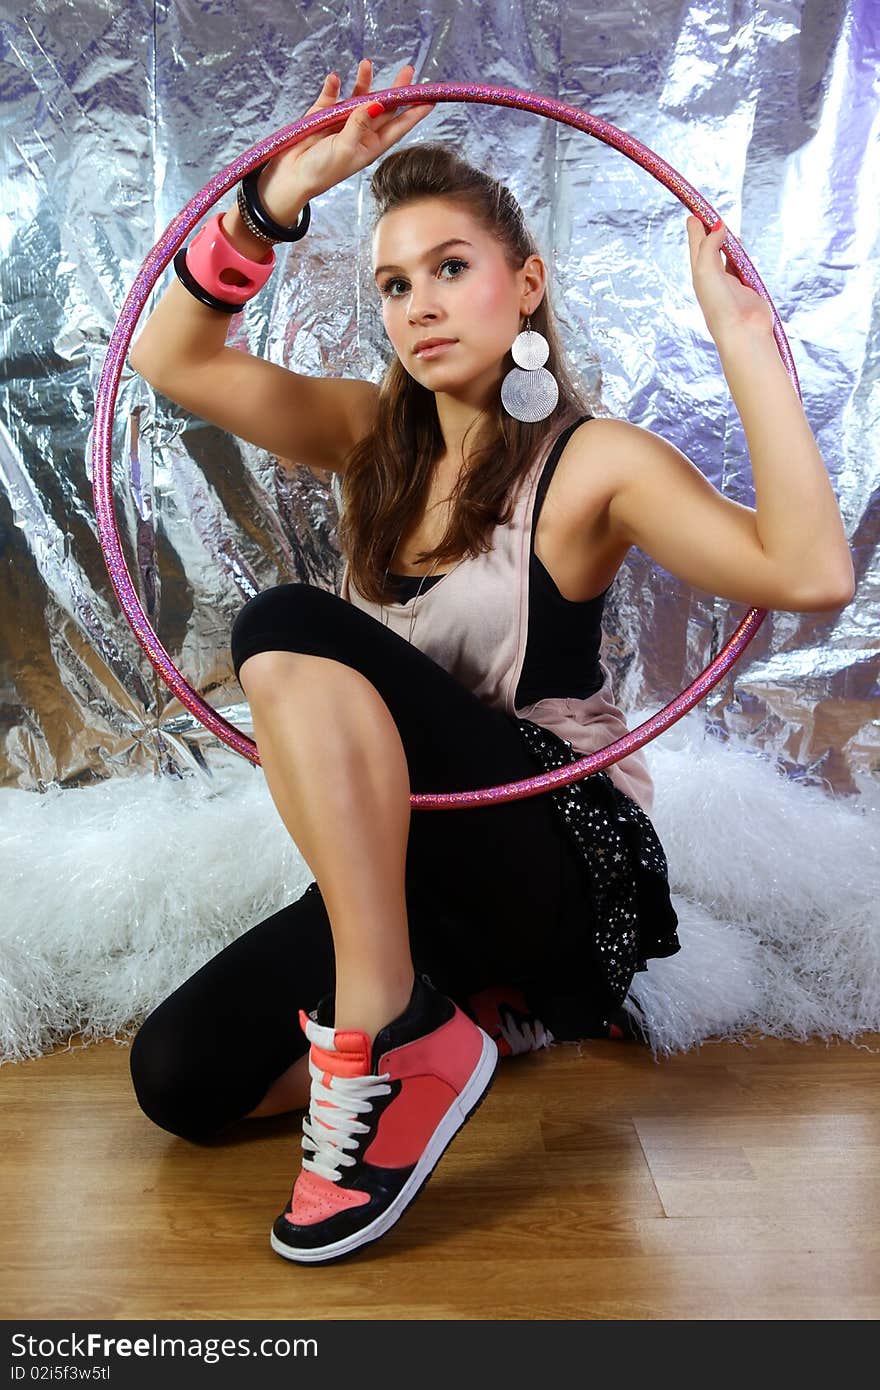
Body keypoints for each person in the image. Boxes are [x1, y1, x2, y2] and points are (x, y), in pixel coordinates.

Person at [127, 59, 850, 1267]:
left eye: (450, 268)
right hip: (419, 869)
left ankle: (394, 1026)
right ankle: (454, 1019)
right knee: (180, 1080)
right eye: (395, 282)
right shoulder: (371, 439)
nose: (418, 303)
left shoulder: (595, 463)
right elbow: (173, 360)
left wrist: (741, 340)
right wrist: (278, 195)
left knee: (282, 626)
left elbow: (811, 574)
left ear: (526, 287)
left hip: (555, 858)